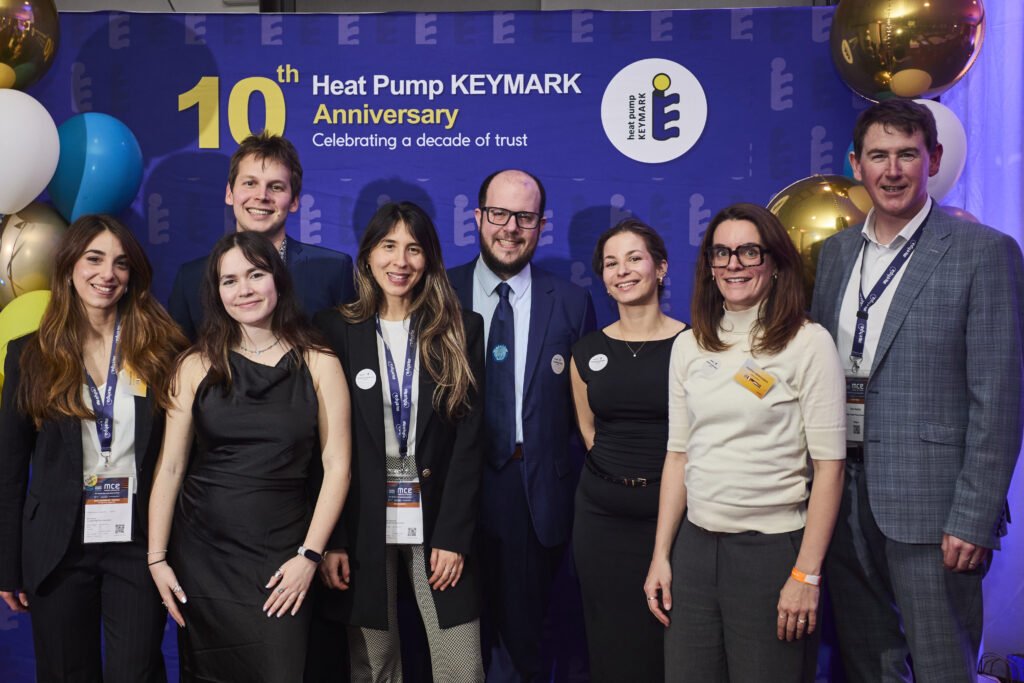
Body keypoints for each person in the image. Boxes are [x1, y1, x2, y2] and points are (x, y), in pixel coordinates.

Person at [810, 98, 1024, 682]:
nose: (892, 170)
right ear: (857, 164)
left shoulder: (984, 252)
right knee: (867, 662)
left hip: (935, 508)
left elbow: (999, 399)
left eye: (907, 154)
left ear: (933, 159)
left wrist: (974, 517)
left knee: (943, 666)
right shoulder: (836, 254)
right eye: (878, 156)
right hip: (843, 496)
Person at [644, 203, 846, 682]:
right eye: (722, 253)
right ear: (709, 266)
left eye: (748, 251)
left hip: (771, 553)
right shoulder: (690, 344)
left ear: (775, 262)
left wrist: (806, 574)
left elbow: (830, 469)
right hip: (694, 551)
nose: (733, 264)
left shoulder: (808, 342)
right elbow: (678, 456)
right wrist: (661, 555)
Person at [147, 230, 351, 681]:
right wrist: (157, 559)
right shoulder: (194, 364)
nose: (244, 289)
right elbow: (171, 467)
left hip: (285, 554)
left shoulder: (319, 360)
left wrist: (310, 555)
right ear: (216, 293)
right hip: (203, 557)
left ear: (278, 279)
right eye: (230, 280)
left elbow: (338, 466)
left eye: (256, 275)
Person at [0, 214, 187, 682]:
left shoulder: (161, 351)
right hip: (58, 544)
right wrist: (7, 564)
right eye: (94, 259)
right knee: (65, 672)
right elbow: (9, 468)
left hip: (138, 540)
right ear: (68, 268)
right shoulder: (29, 354)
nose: (108, 273)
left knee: (137, 671)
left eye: (121, 263)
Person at [313, 201, 486, 682]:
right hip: (361, 514)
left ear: (429, 258)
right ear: (368, 254)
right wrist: (333, 540)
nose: (400, 261)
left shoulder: (460, 328)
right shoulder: (334, 329)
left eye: (414, 249)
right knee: (373, 664)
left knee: (461, 663)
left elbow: (469, 442)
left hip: (437, 514)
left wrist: (454, 536)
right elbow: (321, 443)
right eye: (389, 246)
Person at [447, 169, 596, 682]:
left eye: (525, 217)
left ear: (541, 226)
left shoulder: (571, 301)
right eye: (499, 214)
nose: (511, 227)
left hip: (533, 493)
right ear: (478, 217)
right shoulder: (438, 292)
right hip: (449, 493)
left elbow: (585, 412)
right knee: (453, 642)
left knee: (525, 646)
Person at [569, 219, 687, 682]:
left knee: (670, 638)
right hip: (600, 519)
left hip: (675, 518)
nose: (623, 270)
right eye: (611, 263)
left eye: (635, 258)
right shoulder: (586, 351)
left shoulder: (694, 346)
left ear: (661, 268)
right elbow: (589, 431)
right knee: (609, 641)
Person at [168, 131, 356, 341]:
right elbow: (179, 357)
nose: (261, 196)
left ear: (294, 201)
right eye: (250, 183)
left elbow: (349, 352)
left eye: (276, 187)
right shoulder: (191, 278)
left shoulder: (333, 271)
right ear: (229, 193)